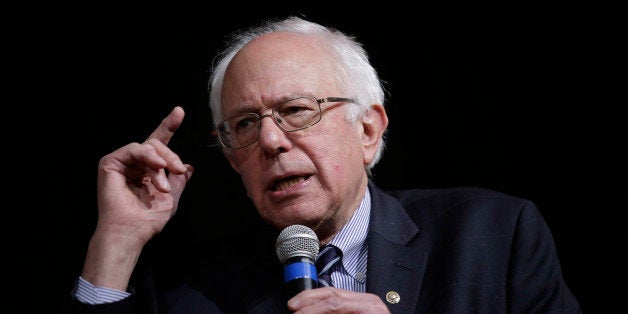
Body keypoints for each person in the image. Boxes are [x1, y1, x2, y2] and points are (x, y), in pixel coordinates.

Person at [69, 16, 582, 313]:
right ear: (232, 160)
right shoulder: (193, 293)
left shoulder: (493, 236)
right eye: (244, 125)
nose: (270, 140)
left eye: (296, 111)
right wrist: (115, 243)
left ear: (367, 130)